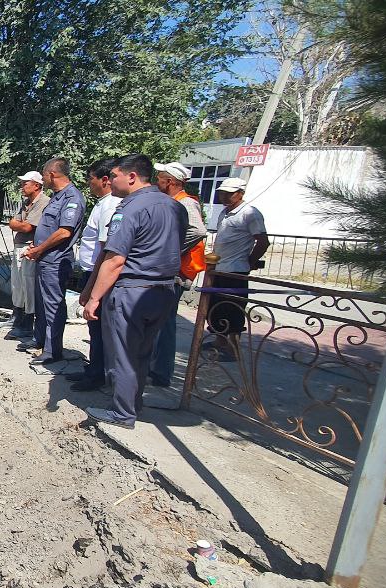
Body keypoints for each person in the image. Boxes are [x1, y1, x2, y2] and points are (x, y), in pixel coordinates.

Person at [80, 154, 186, 429]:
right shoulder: (174, 206)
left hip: (132, 290)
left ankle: (123, 413)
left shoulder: (129, 209)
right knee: (142, 352)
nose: (110, 180)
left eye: (114, 175)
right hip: (164, 289)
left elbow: (114, 260)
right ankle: (133, 404)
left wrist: (94, 298)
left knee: (124, 354)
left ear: (131, 176)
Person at [146, 161, 208, 386]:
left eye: (160, 178)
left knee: (165, 323)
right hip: (169, 271)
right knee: (157, 322)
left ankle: (161, 373)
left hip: (176, 273)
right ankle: (154, 368)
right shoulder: (173, 202)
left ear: (170, 181)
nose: (156, 181)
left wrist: (170, 251)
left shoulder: (185, 204)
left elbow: (198, 231)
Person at [20, 158, 85, 365]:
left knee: (53, 305)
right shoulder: (57, 197)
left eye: (44, 174)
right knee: (41, 302)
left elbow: (65, 232)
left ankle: (52, 350)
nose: (43, 178)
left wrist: (39, 248)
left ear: (52, 175)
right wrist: (36, 246)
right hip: (44, 258)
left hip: (56, 261)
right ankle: (39, 340)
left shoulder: (72, 198)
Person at [66, 159, 122, 391]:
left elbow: (106, 250)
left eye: (90, 178)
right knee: (94, 327)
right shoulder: (103, 204)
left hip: (99, 273)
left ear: (105, 180)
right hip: (92, 271)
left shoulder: (111, 206)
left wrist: (91, 289)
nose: (88, 183)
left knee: (98, 327)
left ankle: (98, 374)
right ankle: (94, 368)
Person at [207, 178, 269, 361]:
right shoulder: (225, 212)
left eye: (229, 193)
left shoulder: (250, 213)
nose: (224, 196)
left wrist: (250, 261)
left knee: (233, 310)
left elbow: (263, 241)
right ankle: (219, 342)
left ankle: (233, 348)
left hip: (236, 270)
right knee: (216, 308)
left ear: (240, 193)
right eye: (222, 193)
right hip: (219, 267)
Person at [2, 172, 50, 339]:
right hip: (19, 246)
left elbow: (27, 227)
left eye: (25, 183)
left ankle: (28, 322)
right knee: (17, 283)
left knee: (28, 285)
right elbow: (13, 223)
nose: (22, 187)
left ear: (36, 185)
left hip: (30, 248)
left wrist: (17, 224)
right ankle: (17, 315)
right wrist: (16, 224)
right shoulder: (26, 202)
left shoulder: (43, 202)